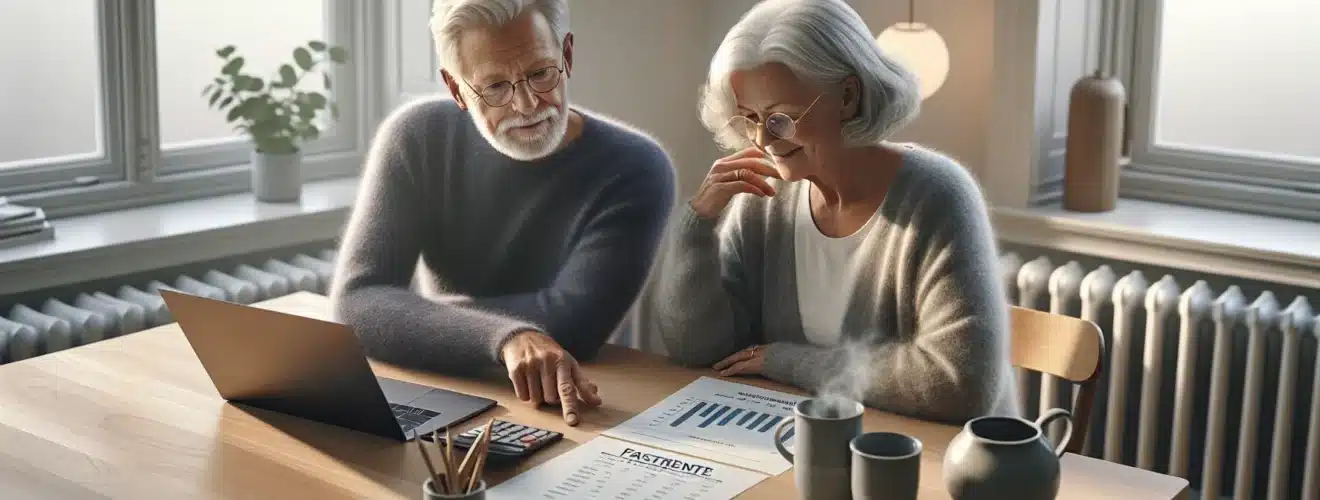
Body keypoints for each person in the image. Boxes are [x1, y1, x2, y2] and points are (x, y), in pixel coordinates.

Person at [633, 0, 1018, 423]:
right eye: (749, 118)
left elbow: (958, 386)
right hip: (810, 441)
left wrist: (785, 361)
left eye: (781, 118)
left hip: (933, 464)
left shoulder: (939, 196)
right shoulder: (765, 196)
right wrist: (696, 224)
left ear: (848, 97)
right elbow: (699, 349)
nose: (763, 140)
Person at [330, 0, 676, 426]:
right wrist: (506, 337)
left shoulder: (637, 166)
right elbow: (359, 303)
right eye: (495, 87)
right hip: (449, 387)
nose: (528, 104)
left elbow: (575, 325)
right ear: (457, 89)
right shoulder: (415, 137)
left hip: (579, 401)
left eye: (540, 73)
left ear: (566, 56)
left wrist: (415, 317)